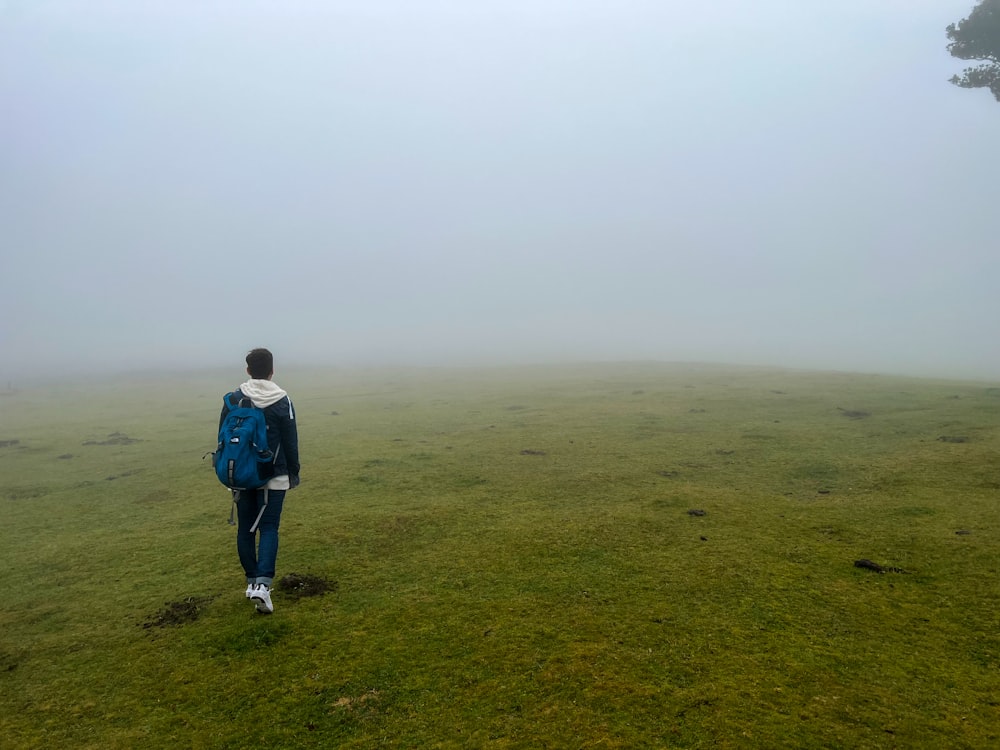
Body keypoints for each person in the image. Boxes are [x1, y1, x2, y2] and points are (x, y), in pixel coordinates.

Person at [219, 348, 300, 614]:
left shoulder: (233, 399)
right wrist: (293, 471)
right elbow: (290, 440)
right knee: (269, 528)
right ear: (272, 370)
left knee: (245, 529)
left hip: (241, 474)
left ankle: (252, 582)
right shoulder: (281, 399)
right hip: (273, 475)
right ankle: (263, 587)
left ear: (248, 370)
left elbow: (222, 437)